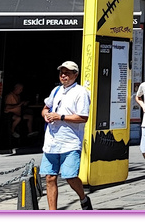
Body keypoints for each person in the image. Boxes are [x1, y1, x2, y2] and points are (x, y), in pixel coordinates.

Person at [39, 61, 92, 210]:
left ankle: (83, 197)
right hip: (51, 141)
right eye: (61, 72)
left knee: (70, 176)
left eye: (67, 73)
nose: (63, 75)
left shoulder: (81, 92)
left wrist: (60, 117)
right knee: (50, 177)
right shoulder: (56, 90)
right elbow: (45, 108)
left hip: (70, 142)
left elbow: (83, 117)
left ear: (75, 75)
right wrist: (46, 115)